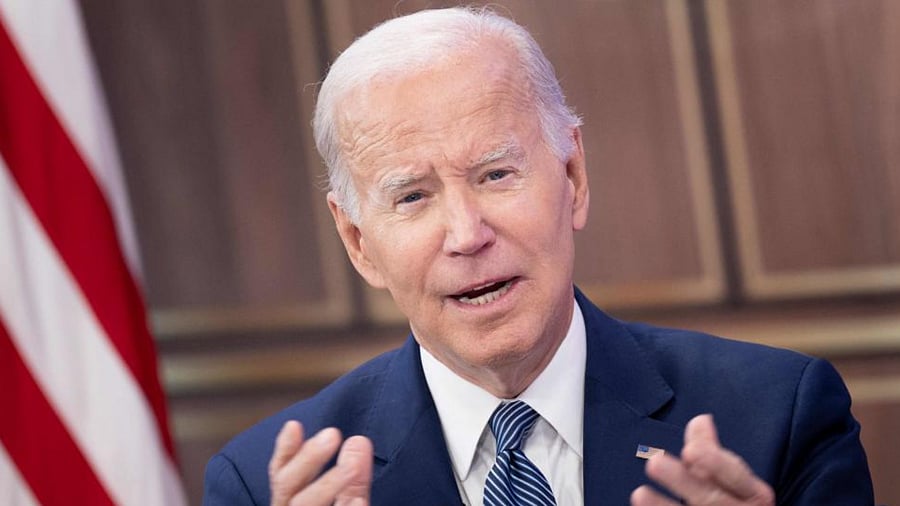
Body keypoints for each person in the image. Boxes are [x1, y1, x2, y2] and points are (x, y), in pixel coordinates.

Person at [203, 7, 874, 505]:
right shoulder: (262, 485)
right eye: (411, 197)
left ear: (573, 177)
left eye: (496, 175)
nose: (466, 233)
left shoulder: (776, 419)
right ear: (358, 244)